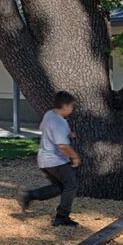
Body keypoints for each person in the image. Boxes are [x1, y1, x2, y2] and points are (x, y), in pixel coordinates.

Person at [15, 91, 82, 227]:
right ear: (65, 106)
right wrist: (74, 157)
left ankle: (29, 196)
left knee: (59, 187)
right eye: (71, 106)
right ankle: (62, 217)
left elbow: (49, 130)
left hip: (44, 160)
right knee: (71, 185)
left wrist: (68, 134)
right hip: (55, 161)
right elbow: (62, 145)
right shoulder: (59, 123)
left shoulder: (50, 114)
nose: (72, 109)